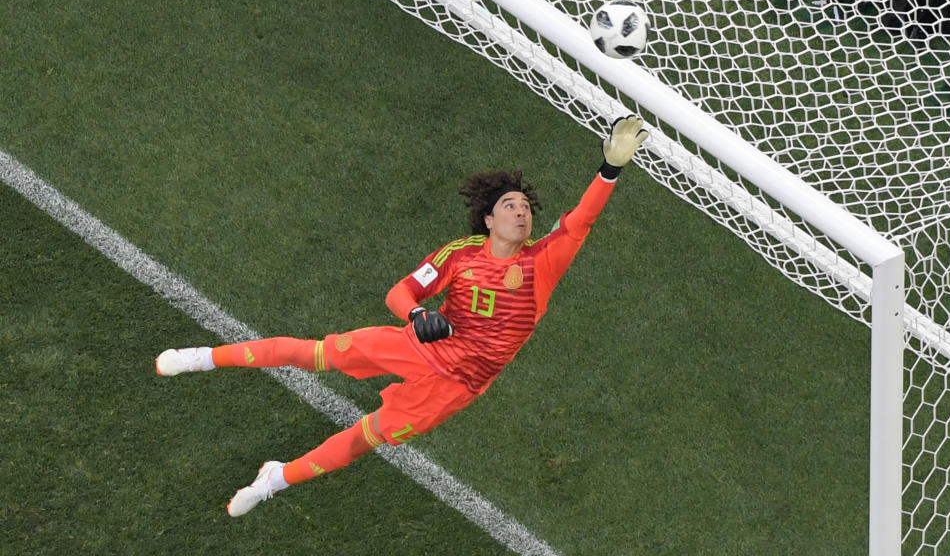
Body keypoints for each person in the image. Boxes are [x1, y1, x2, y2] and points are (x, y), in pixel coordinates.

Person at [155, 116, 649, 517]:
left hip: (457, 385)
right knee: (311, 354)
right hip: (422, 346)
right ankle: (200, 358)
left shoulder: (542, 262)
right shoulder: (460, 254)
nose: (522, 213)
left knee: (361, 439)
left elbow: (580, 220)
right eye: (509, 205)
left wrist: (609, 169)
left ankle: (274, 480)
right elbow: (401, 292)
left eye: (525, 207)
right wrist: (417, 316)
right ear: (489, 219)